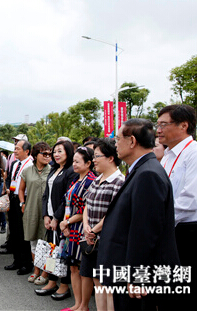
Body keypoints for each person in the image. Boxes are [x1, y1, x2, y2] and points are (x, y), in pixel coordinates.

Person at [98, 119, 180, 310]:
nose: (115, 144)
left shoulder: (148, 174)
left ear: (132, 141)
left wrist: (135, 276)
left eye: (118, 139)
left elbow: (145, 232)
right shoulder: (141, 170)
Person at [157, 104, 197, 307]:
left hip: (186, 233)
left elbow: (191, 199)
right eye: (158, 124)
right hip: (168, 229)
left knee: (182, 292)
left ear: (184, 125)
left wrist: (159, 221)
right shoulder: (167, 156)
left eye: (164, 124)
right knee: (167, 292)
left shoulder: (194, 153)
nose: (159, 130)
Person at [80, 138, 124, 311]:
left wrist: (94, 230)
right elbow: (87, 205)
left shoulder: (119, 181)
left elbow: (114, 213)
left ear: (111, 158)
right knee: (97, 282)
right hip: (91, 239)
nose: (94, 160)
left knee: (109, 286)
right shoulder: (97, 179)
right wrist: (86, 226)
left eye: (97, 156)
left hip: (106, 240)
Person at [35, 140, 77, 300]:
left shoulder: (70, 171)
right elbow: (46, 194)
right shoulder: (53, 169)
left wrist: (56, 217)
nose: (56, 154)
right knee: (52, 252)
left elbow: (67, 198)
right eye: (55, 151)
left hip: (61, 220)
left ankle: (64, 286)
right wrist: (46, 215)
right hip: (50, 218)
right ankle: (52, 281)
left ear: (68, 153)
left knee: (62, 254)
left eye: (60, 151)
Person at [59, 147, 96, 311]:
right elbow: (68, 204)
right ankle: (77, 304)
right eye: (73, 161)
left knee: (83, 268)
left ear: (88, 163)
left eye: (77, 161)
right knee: (73, 266)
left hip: (81, 227)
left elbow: (85, 210)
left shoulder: (91, 181)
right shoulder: (76, 180)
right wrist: (64, 222)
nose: (73, 164)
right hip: (70, 227)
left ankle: (84, 305)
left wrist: (66, 222)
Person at [18, 142, 51, 284]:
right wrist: (22, 203)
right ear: (36, 155)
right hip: (31, 209)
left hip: (48, 213)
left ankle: (46, 273)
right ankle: (36, 270)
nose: (48, 157)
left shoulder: (53, 170)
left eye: (49, 154)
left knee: (49, 244)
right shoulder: (27, 171)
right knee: (34, 243)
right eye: (44, 154)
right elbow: (21, 189)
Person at [4, 140, 34, 275]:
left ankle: (26, 263)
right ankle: (16, 260)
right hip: (13, 198)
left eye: (18, 149)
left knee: (23, 233)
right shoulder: (16, 163)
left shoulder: (31, 164)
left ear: (27, 151)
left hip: (25, 200)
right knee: (15, 231)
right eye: (14, 149)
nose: (15, 151)